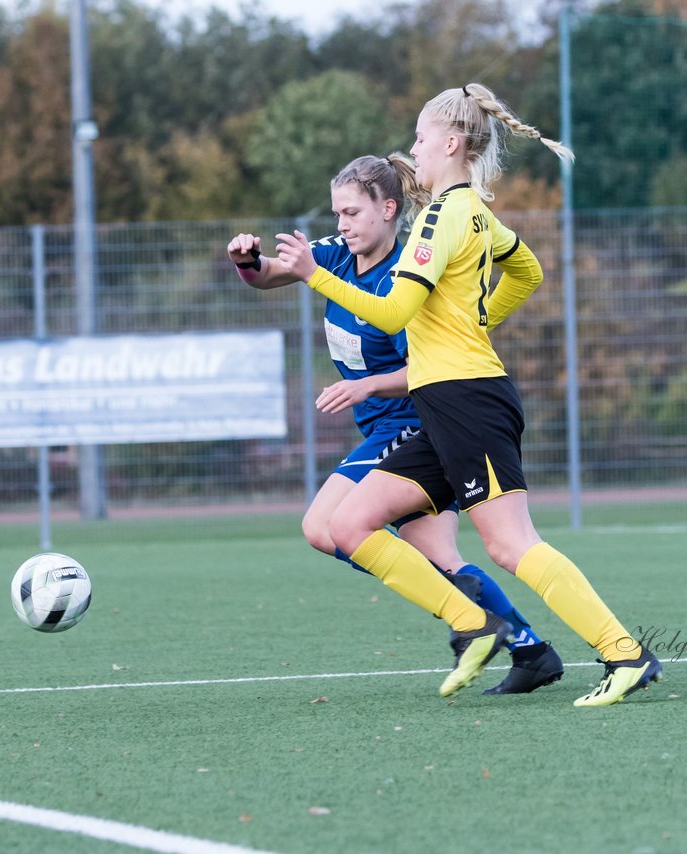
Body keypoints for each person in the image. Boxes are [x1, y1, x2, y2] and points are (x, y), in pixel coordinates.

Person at [267, 84, 661, 707]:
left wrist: (315, 276)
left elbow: (396, 311)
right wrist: (476, 319)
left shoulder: (441, 216)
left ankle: (624, 654)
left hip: (466, 399)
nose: (414, 149)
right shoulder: (475, 212)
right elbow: (526, 269)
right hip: (445, 403)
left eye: (421, 139)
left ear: (450, 144)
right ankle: (476, 623)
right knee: (346, 524)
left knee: (510, 544)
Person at [226, 153, 564, 695]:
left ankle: (477, 625)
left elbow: (425, 367)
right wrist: (247, 261)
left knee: (325, 527)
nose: (341, 224)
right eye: (337, 213)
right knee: (435, 557)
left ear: (388, 210)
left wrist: (366, 386)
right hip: (384, 430)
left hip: (419, 424)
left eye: (352, 213)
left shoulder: (408, 273)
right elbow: (271, 276)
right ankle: (529, 649)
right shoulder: (337, 255)